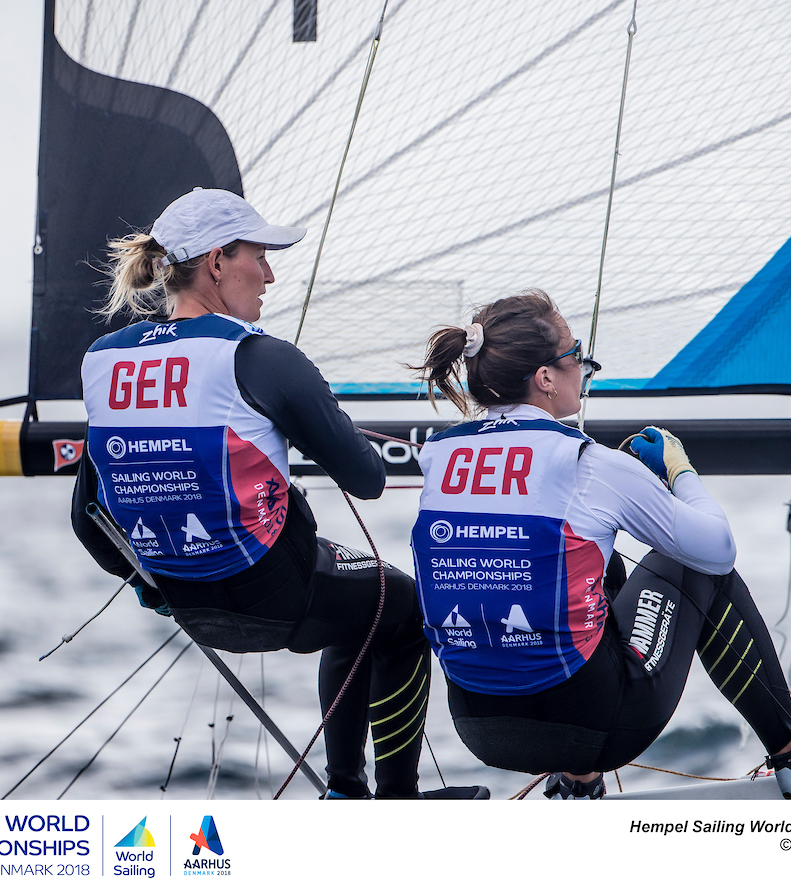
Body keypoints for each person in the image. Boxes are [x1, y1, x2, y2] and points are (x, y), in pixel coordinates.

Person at [71, 187, 487, 799]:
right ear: (216, 262)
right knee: (397, 604)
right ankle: (383, 798)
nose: (269, 276)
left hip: (188, 604)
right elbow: (367, 480)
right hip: (275, 594)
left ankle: (348, 795)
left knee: (360, 603)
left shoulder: (104, 359)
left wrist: (150, 584)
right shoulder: (263, 358)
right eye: (259, 257)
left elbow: (87, 519)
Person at [409, 289, 791, 799]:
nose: (584, 367)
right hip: (594, 728)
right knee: (692, 562)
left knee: (588, 561)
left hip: (480, 730)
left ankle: (577, 786)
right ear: (545, 378)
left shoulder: (438, 455)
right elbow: (717, 548)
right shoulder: (588, 463)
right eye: (576, 354)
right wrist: (680, 470)